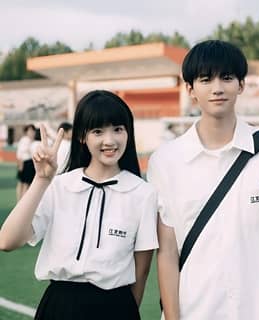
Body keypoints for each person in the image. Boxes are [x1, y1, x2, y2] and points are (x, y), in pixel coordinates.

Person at [147, 40, 259, 320]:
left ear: (240, 85)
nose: (217, 88)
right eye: (205, 79)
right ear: (190, 89)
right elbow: (166, 253)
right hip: (193, 312)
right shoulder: (166, 160)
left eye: (226, 77)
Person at [0, 90, 158, 320]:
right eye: (98, 131)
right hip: (59, 306)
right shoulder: (60, 186)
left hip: (116, 307)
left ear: (128, 133)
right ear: (82, 137)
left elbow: (141, 271)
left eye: (118, 129)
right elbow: (7, 241)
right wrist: (42, 180)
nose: (110, 140)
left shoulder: (143, 193)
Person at [15, 124, 36, 201]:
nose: (31, 132)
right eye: (29, 130)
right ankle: (20, 201)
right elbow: (19, 153)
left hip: (31, 163)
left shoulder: (34, 141)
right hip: (25, 163)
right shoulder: (24, 140)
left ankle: (22, 201)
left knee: (27, 184)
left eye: (32, 130)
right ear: (26, 132)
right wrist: (20, 164)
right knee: (23, 184)